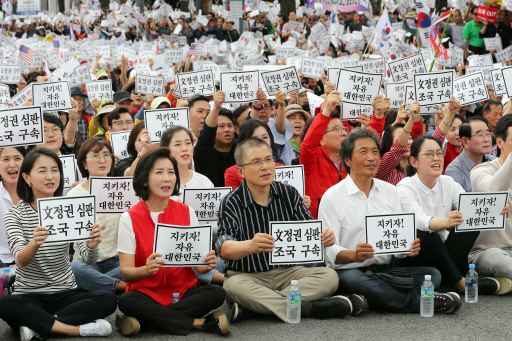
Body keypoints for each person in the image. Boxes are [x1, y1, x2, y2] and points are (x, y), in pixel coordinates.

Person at [217, 137, 365, 324]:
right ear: (241, 171)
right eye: (256, 162)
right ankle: (310, 308)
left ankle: (256, 308)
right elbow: (224, 247)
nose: (265, 167)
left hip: (289, 274)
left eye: (268, 159)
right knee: (232, 286)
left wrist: (324, 237)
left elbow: (309, 232)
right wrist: (250, 246)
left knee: (329, 277)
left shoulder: (289, 193)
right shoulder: (231, 201)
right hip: (247, 276)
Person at [319, 127, 458, 314]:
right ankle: (419, 304)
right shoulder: (332, 197)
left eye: (375, 152)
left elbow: (397, 242)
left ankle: (369, 299)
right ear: (348, 160)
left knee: (433, 275)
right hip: (349, 269)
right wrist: (354, 255)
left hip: (385, 270)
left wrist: (407, 249)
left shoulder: (390, 191)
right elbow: (329, 250)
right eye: (363, 152)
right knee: (353, 280)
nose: (372, 157)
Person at [0, 148, 117, 340]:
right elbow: (21, 260)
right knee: (5, 305)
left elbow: (88, 260)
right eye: (42, 170)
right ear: (27, 177)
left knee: (108, 298)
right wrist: (34, 243)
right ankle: (76, 329)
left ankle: (38, 326)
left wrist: (91, 245)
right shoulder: (15, 214)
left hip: (66, 293)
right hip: (30, 295)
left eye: (55, 170)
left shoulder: (69, 207)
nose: (50, 176)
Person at [116, 148, 230, 337]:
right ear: (144, 179)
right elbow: (126, 273)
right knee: (127, 301)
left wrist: (207, 264)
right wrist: (146, 269)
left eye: (171, 172)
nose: (167, 178)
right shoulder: (129, 218)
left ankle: (147, 322)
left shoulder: (187, 211)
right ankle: (199, 323)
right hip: (146, 293)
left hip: (182, 292)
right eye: (159, 172)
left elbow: (199, 268)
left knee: (217, 294)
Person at [395, 135, 510, 295]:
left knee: (470, 225)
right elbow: (420, 220)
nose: (436, 158)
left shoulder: (447, 182)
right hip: (417, 253)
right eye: (429, 154)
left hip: (444, 252)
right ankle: (461, 283)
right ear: (414, 162)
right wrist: (447, 222)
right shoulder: (404, 188)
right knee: (426, 234)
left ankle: (450, 279)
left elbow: (470, 207)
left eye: (438, 153)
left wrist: (497, 209)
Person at [160, 126, 225, 285]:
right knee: (173, 264)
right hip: (168, 251)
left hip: (200, 251)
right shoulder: (160, 183)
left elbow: (215, 227)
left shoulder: (204, 182)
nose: (184, 148)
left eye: (188, 143)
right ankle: (219, 279)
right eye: (177, 144)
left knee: (222, 262)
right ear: (166, 150)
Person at [68, 137, 126, 294]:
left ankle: (97, 284)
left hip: (119, 262)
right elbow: (82, 249)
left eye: (107, 155)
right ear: (84, 164)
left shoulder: (124, 189)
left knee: (139, 265)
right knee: (75, 268)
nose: (102, 160)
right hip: (88, 263)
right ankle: (120, 287)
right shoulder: (75, 194)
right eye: (95, 155)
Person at [469, 114, 512, 288]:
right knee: (499, 261)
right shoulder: (480, 171)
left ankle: (498, 283)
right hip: (486, 252)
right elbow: (494, 191)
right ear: (499, 143)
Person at [300, 91, 348, 219]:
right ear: (321, 139)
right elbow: (309, 144)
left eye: (344, 128)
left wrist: (377, 117)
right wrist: (326, 111)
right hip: (319, 226)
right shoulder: (311, 160)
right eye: (337, 129)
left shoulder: (351, 160)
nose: (344, 133)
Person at [224, 119, 285, 189]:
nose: (261, 142)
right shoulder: (233, 173)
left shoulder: (281, 167)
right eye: (254, 139)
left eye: (265, 137)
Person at [193, 91, 236, 187]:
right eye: (221, 126)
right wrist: (216, 108)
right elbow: (207, 134)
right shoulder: (204, 152)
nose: (227, 130)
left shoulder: (240, 150)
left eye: (230, 125)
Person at [445, 117, 496, 192]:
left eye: (488, 134)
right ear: (465, 141)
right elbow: (459, 202)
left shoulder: (495, 161)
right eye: (480, 135)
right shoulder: (454, 170)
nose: (486, 139)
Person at [0, 147, 26, 268]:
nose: (12, 164)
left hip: (34, 262)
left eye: (17, 158)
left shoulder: (39, 193)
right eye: (5, 159)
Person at [269, 92, 311, 165]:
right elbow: (280, 128)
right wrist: (282, 105)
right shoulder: (281, 142)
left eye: (301, 118)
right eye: (293, 118)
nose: (298, 121)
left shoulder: (309, 144)